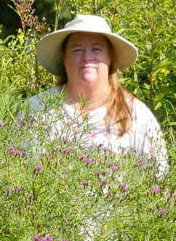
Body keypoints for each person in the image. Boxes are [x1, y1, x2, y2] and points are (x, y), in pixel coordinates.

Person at [26, 14, 168, 178]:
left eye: (96, 49)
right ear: (64, 57)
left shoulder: (136, 115)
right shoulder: (37, 109)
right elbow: (16, 172)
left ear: (110, 57)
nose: (87, 57)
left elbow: (158, 180)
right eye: (77, 50)